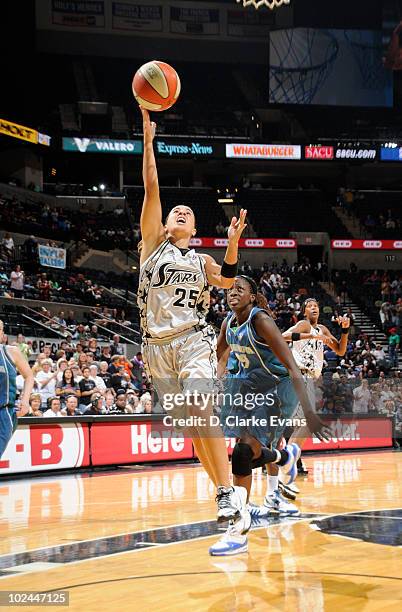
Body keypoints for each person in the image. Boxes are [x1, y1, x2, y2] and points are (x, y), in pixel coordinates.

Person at [137, 107, 249, 540]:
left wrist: (234, 243)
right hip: (155, 348)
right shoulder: (152, 246)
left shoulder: (201, 260)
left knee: (204, 408)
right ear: (165, 223)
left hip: (193, 340)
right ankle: (226, 495)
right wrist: (148, 143)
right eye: (175, 211)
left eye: (188, 212)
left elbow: (229, 279)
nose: (180, 211)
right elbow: (151, 185)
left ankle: (227, 495)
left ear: (196, 227)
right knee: (195, 434)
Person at [211, 277, 329, 555]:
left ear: (252, 297)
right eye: (230, 290)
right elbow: (220, 356)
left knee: (241, 452)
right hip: (249, 388)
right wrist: (218, 384)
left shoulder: (260, 320)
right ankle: (284, 458)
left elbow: (291, 365)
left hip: (279, 389)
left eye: (240, 289)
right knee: (245, 452)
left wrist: (310, 414)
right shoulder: (228, 323)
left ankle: (238, 529)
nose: (233, 293)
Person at [280, 298, 350, 482]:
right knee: (306, 423)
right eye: (310, 306)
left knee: (299, 425)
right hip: (298, 375)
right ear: (304, 312)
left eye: (316, 305)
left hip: (309, 379)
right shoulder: (303, 325)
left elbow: (341, 351)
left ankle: (289, 460)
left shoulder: (322, 330)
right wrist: (310, 337)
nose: (314, 308)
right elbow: (283, 337)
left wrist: (344, 330)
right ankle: (288, 462)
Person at [0, 320, 34, 457]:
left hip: (4, 413)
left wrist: (25, 401)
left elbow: (29, 376)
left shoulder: (11, 352)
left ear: (2, 334)